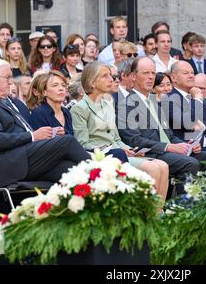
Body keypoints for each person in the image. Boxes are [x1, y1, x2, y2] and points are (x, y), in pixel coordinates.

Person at [0, 58, 91, 194]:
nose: (11, 81)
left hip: (22, 157)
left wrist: (43, 136)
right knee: (67, 141)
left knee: (70, 169)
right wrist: (33, 136)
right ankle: (104, 171)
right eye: (7, 77)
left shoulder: (4, 101)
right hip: (5, 165)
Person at [72, 61, 169, 201]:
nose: (111, 79)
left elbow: (116, 138)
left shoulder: (108, 104)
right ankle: (146, 215)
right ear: (92, 83)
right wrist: (114, 149)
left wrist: (129, 149)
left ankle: (158, 213)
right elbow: (83, 143)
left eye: (110, 75)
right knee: (153, 168)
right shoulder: (80, 108)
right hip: (100, 156)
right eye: (105, 76)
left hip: (119, 151)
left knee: (163, 166)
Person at [117, 57, 204, 192]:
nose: (151, 77)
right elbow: (134, 140)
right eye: (146, 73)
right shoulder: (126, 104)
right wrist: (168, 147)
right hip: (151, 153)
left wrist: (186, 145)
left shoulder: (155, 102)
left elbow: (168, 134)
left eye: (153, 73)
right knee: (190, 163)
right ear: (134, 76)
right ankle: (183, 209)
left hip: (166, 151)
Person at [168, 61, 206, 152]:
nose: (191, 76)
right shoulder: (170, 98)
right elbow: (188, 123)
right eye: (186, 73)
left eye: (192, 73)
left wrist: (201, 126)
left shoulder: (193, 96)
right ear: (173, 77)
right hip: (189, 149)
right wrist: (198, 99)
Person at [29, 70, 73, 138]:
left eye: (63, 85)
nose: (61, 88)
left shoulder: (66, 112)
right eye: (55, 85)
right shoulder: (38, 113)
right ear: (44, 92)